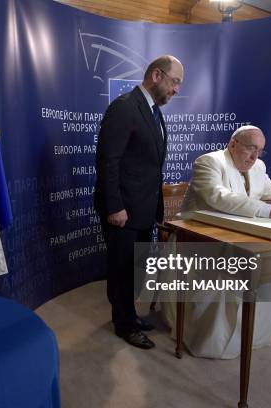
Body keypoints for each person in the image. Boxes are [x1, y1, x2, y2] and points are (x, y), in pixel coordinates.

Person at [162, 125, 271, 359]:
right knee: (230, 272)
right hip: (195, 240)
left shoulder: (258, 166)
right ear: (233, 144)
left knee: (263, 265)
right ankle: (211, 341)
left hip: (235, 236)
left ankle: (251, 335)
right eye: (251, 149)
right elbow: (219, 197)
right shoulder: (208, 162)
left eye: (260, 151)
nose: (254, 157)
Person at [94, 55, 184, 349]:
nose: (177, 90)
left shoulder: (154, 112)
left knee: (135, 268)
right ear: (156, 76)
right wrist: (114, 207)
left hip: (143, 209)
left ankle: (129, 315)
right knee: (121, 270)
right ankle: (124, 325)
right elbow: (108, 162)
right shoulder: (124, 108)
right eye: (175, 82)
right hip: (123, 210)